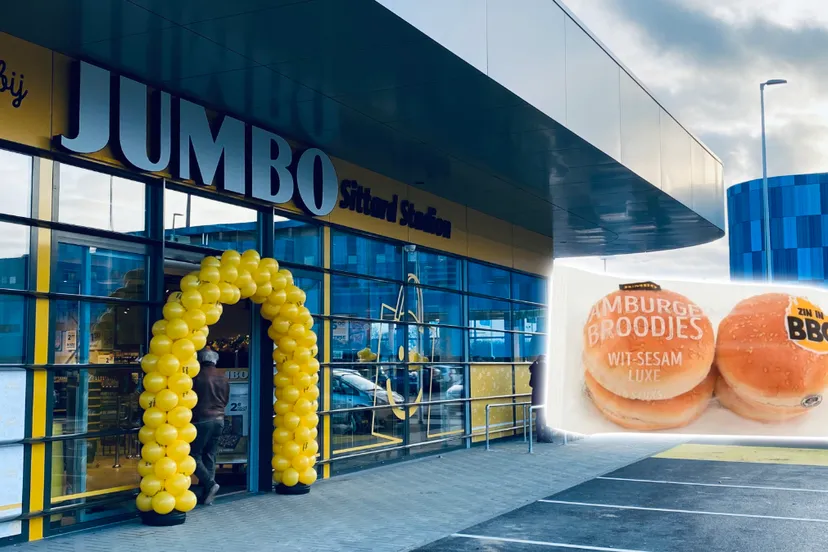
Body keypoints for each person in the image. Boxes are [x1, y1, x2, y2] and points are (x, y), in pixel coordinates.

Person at [190, 347, 229, 505]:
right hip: (219, 419)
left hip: (202, 419)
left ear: (201, 360)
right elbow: (226, 400)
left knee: (193, 455)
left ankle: (210, 484)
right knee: (210, 455)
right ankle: (207, 494)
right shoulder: (223, 377)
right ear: (215, 360)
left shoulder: (196, 377)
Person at [528, 353, 553, 443]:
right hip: (545, 396)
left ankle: (539, 436)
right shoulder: (547, 369)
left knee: (538, 416)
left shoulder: (535, 369)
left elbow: (531, 384)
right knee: (546, 416)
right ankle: (547, 436)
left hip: (537, 396)